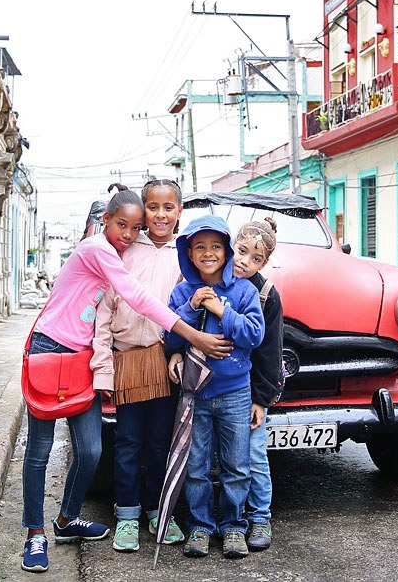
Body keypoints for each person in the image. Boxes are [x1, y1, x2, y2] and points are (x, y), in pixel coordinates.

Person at [19, 185, 229, 574]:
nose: (129, 235)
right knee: (40, 450)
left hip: (83, 356)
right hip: (51, 349)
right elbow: (136, 296)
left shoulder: (124, 252)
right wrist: (193, 335)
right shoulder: (98, 249)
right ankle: (35, 535)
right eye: (122, 225)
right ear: (105, 222)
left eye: (135, 228)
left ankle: (66, 520)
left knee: (93, 451)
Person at [91, 179, 187, 553]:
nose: (160, 215)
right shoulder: (123, 253)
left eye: (168, 207)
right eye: (153, 207)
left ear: (179, 211)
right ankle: (128, 515)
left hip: (165, 362)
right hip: (127, 360)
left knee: (161, 441)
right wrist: (103, 368)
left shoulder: (185, 254)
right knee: (128, 441)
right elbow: (102, 313)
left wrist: (178, 349)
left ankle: (158, 510)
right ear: (143, 211)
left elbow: (187, 310)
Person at [165, 214, 264, 561]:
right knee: (197, 466)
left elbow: (254, 335)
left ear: (225, 251)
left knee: (237, 465)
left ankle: (234, 527)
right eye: (200, 247)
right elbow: (168, 335)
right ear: (189, 254)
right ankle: (201, 527)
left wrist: (221, 310)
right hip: (195, 395)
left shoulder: (244, 290)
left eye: (216, 247)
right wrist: (193, 308)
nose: (208, 253)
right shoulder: (181, 292)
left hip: (236, 392)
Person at [231, 217, 284, 552]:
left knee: (253, 456)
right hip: (216, 389)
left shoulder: (266, 295)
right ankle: (223, 520)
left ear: (265, 262)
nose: (244, 262)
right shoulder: (213, 282)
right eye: (241, 251)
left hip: (250, 391)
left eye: (255, 258)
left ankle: (260, 517)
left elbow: (270, 352)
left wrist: (261, 399)